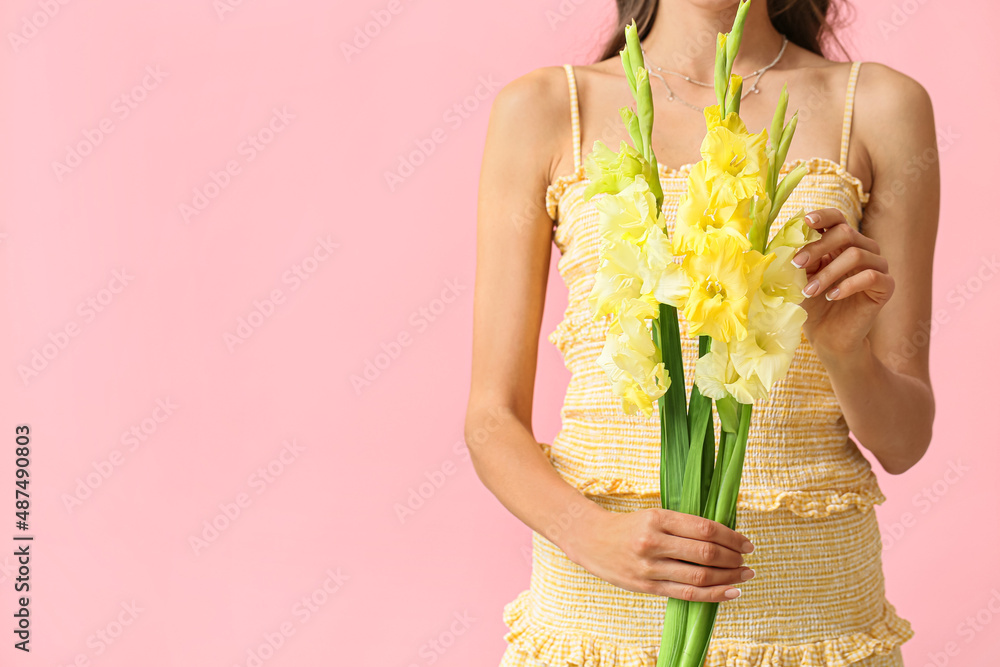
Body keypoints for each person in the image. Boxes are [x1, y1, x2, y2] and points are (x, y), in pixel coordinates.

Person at [464, 0, 938, 664]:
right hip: (603, 619)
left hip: (813, 623)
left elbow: (905, 439)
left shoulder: (880, 107)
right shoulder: (546, 109)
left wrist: (843, 351)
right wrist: (592, 534)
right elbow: (490, 420)